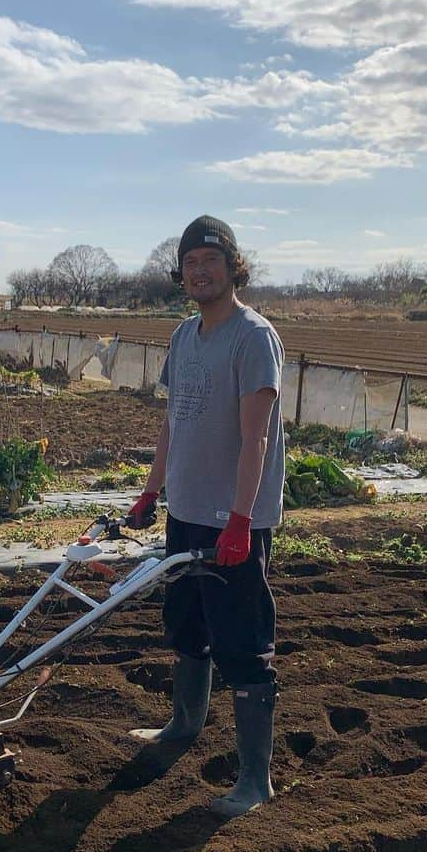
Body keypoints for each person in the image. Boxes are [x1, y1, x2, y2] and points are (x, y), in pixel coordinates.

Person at [125, 215, 285, 817]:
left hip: (232, 519)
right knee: (187, 627)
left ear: (232, 267)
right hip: (186, 511)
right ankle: (183, 727)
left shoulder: (253, 336)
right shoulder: (183, 336)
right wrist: (149, 492)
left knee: (242, 642)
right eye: (190, 262)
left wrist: (242, 520)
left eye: (210, 261)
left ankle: (254, 781)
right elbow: (172, 423)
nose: (199, 271)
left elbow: (257, 438)